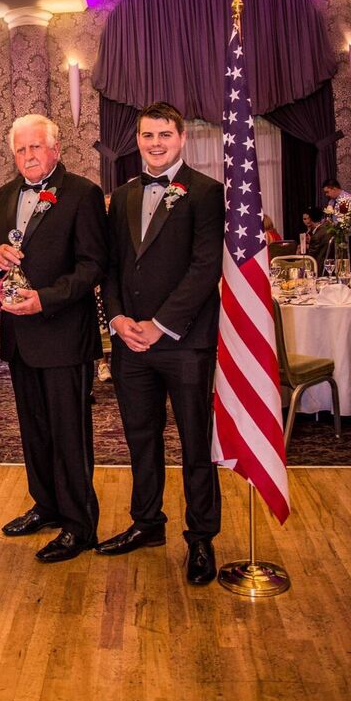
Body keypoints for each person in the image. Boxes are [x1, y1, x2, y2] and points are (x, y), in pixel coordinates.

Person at [99, 101, 224, 587]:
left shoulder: (207, 193)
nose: (155, 144)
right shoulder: (124, 195)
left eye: (164, 135)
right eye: (147, 136)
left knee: (195, 445)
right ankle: (147, 523)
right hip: (130, 342)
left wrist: (161, 324)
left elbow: (204, 267)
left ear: (182, 138)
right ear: (138, 140)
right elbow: (110, 267)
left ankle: (201, 537)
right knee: (140, 439)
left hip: (185, 342)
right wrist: (117, 319)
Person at [0, 114, 108, 564]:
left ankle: (80, 525)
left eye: (37, 147)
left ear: (56, 149)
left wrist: (45, 300)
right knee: (33, 430)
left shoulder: (83, 194)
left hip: (63, 335)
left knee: (69, 435)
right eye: (21, 149)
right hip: (19, 338)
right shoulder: (4, 195)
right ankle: (46, 505)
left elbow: (93, 265)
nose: (29, 156)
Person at [322, 178, 351, 269]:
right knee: (339, 259)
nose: (326, 195)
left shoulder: (348, 199)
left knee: (348, 259)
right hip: (338, 234)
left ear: (334, 188)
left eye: (327, 192)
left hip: (350, 234)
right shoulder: (332, 201)